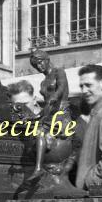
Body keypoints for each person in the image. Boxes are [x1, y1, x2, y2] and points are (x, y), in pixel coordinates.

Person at [27, 49, 70, 180]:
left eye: (40, 62)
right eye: (36, 65)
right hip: (49, 114)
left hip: (61, 113)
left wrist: (55, 96)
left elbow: (62, 87)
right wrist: (36, 115)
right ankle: (36, 167)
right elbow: (46, 105)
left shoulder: (59, 72)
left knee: (40, 132)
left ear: (47, 59)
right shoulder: (43, 82)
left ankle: (38, 168)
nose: (39, 67)